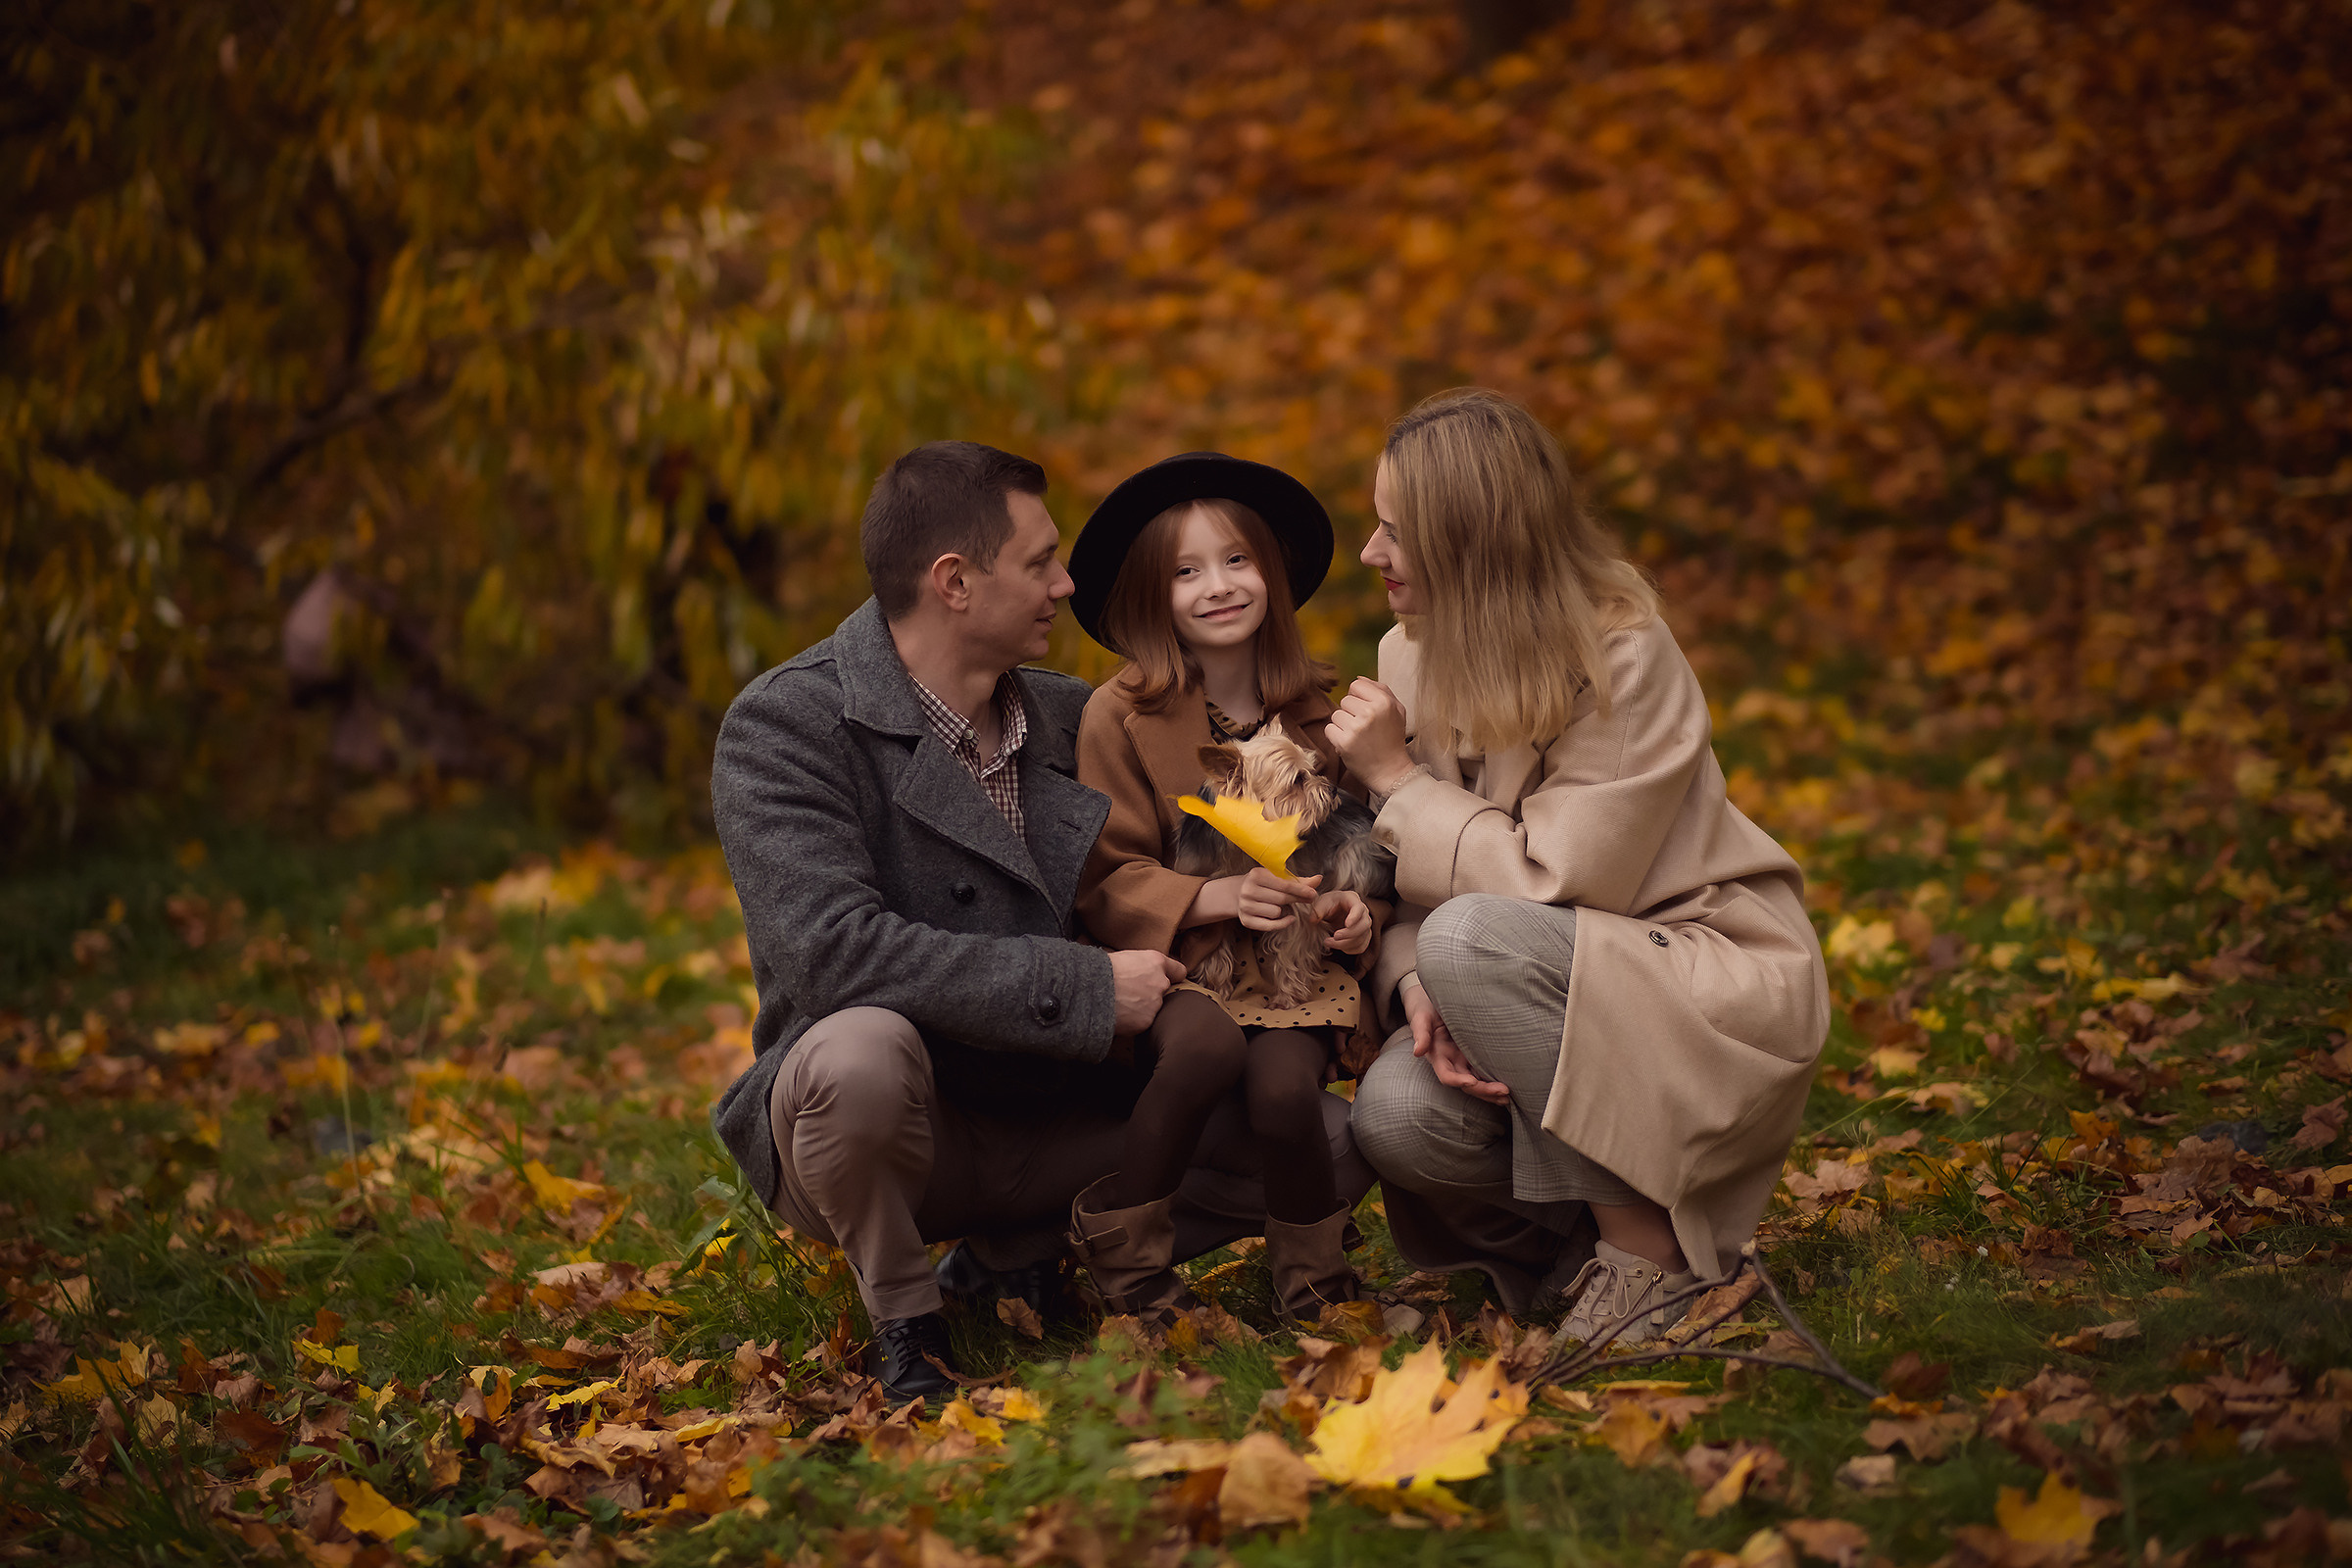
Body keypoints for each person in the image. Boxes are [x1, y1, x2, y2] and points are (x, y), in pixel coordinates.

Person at [708, 441, 1366, 1402]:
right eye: (1040, 562)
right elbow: (830, 953)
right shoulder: (791, 725)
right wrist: (1089, 987)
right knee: (856, 1055)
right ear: (954, 582)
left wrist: (1339, 865)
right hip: (905, 1123)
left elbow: (1248, 816)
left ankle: (1029, 1252)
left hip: (1062, 1110)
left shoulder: (1076, 717)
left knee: (1338, 1140)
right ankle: (908, 1321)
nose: (1067, 583)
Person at [1326, 390, 1831, 1344]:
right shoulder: (1407, 653)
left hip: (1694, 979)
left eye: (1396, 530)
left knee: (1472, 938)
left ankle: (1647, 1261)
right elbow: (1406, 884)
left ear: (1472, 541)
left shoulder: (1624, 654)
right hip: (1534, 979)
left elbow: (1551, 886)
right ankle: (1573, 1263)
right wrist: (1413, 987)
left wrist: (1394, 775)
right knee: (1393, 1112)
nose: (1370, 553)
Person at [1064, 454, 1387, 1324]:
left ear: (1272, 575)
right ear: (1151, 594)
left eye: (1237, 560)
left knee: (1286, 1091)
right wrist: (1213, 898)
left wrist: (1360, 916)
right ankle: (1127, 1274)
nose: (1218, 586)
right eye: (1186, 571)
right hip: (1186, 963)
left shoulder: (1323, 715)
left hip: (1293, 968)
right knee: (1204, 1050)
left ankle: (1315, 1286)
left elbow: (1364, 852)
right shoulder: (1119, 716)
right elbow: (1107, 874)